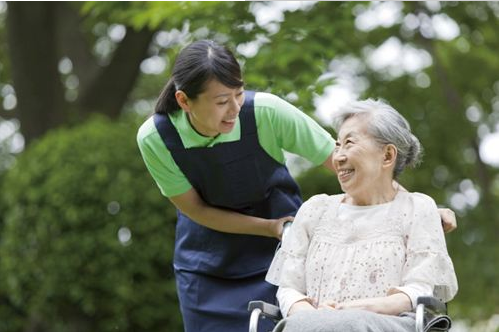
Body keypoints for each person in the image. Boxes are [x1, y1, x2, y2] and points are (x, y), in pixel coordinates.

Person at [136, 40, 457, 332]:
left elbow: (350, 163)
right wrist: (271, 227)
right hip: (207, 260)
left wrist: (417, 209)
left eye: (239, 93)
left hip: (281, 251)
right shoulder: (157, 138)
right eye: (222, 101)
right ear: (184, 100)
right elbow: (195, 209)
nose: (235, 108)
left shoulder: (265, 112)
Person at [265, 99, 458, 332]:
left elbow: (418, 290)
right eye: (337, 146)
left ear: (387, 156)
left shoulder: (417, 208)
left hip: (388, 324)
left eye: (349, 143)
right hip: (312, 325)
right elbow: (289, 289)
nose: (338, 157)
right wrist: (317, 318)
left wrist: (349, 312)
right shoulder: (314, 210)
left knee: (350, 324)